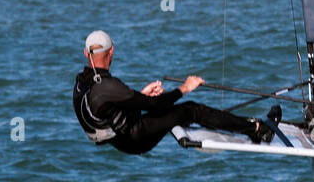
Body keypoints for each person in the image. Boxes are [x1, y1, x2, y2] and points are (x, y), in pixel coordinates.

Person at [72, 30, 281, 154]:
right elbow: (157, 105)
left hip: (119, 139)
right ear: (111, 52)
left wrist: (141, 96)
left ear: (85, 53)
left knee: (174, 112)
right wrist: (184, 88)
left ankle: (244, 125)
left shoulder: (82, 84)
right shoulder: (108, 86)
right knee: (191, 110)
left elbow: (105, 109)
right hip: (134, 139)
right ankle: (257, 129)